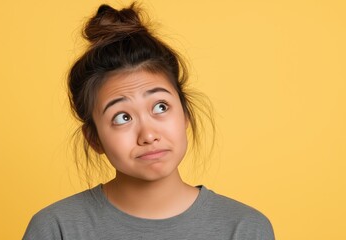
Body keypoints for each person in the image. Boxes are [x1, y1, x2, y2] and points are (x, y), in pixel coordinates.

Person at [23, 3, 274, 240]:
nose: (148, 135)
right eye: (122, 117)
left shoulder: (244, 228)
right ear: (94, 139)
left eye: (160, 107)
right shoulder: (56, 229)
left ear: (185, 114)